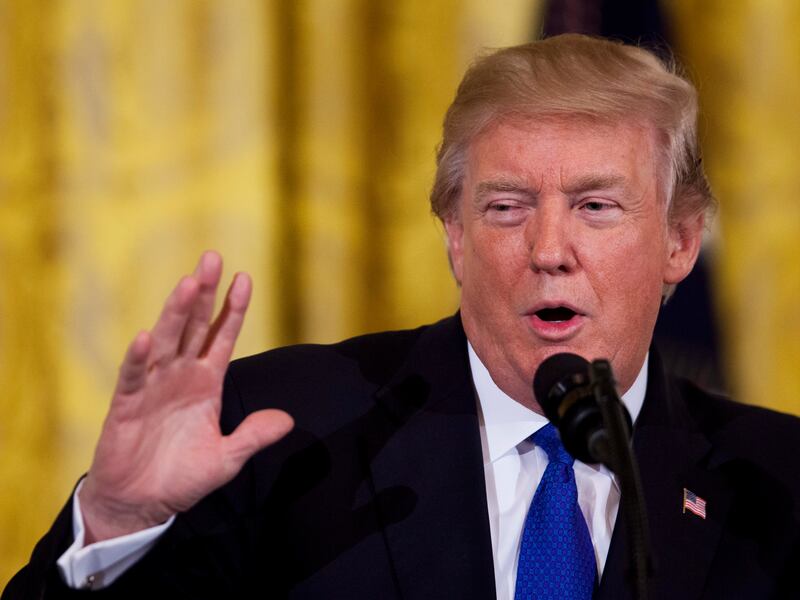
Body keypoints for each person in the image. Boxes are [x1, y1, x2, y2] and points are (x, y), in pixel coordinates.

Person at [5, 33, 800, 599]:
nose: (549, 248)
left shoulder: (779, 483)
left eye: (596, 206)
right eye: (505, 206)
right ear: (455, 236)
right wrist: (112, 525)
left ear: (680, 241)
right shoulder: (283, 436)